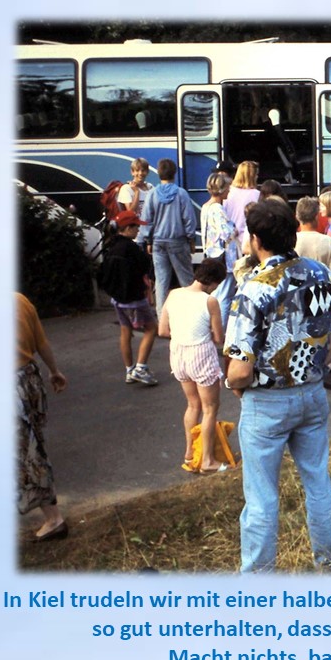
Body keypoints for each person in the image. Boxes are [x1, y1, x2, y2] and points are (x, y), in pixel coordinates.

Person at [224, 199, 331, 572]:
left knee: (261, 497)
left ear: (257, 239)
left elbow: (239, 370)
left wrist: (236, 386)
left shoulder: (254, 289)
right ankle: (328, 560)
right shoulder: (322, 274)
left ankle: (259, 580)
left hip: (267, 401)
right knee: (317, 481)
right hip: (312, 393)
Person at [158, 258, 228, 473]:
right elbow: (218, 337)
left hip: (178, 352)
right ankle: (207, 460)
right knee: (209, 409)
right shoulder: (209, 301)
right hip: (201, 353)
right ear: (214, 282)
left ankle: (189, 453)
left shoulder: (174, 294)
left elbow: (162, 331)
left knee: (192, 405)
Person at [16, 292, 69, 541]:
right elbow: (41, 343)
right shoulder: (19, 300)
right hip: (28, 380)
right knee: (30, 451)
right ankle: (52, 517)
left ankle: (53, 519)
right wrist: (54, 371)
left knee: (28, 455)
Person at [98, 210, 159, 386]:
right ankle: (141, 367)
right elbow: (145, 268)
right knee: (151, 328)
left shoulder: (111, 246)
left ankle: (129, 369)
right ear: (128, 228)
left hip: (117, 300)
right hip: (134, 299)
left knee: (125, 331)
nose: (138, 230)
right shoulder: (132, 249)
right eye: (136, 227)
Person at [138, 158, 197, 317]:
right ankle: (191, 316)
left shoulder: (152, 194)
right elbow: (189, 219)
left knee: (162, 281)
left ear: (158, 173)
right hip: (178, 241)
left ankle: (162, 318)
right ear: (174, 173)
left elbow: (146, 220)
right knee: (187, 281)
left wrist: (148, 240)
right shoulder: (181, 194)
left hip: (158, 243)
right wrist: (191, 239)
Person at [200, 171, 239, 330]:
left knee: (215, 293)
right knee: (225, 296)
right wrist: (234, 228)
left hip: (211, 253)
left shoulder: (205, 207)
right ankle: (220, 332)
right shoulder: (218, 208)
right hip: (224, 257)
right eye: (227, 188)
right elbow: (227, 232)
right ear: (221, 189)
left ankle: (211, 327)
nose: (229, 191)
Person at [295, 195, 331, 279]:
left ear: (297, 217)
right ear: (316, 217)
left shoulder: (292, 241)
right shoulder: (328, 241)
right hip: (322, 289)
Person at [225, 160, 261, 255]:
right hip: (247, 242)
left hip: (230, 241)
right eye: (256, 174)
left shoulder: (228, 192)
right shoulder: (256, 194)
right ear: (251, 176)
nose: (257, 177)